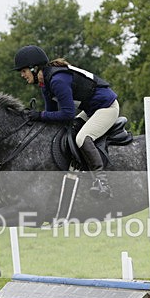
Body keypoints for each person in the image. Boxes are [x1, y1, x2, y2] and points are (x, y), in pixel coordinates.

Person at [13, 45, 118, 198]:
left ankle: (102, 182)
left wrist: (39, 115)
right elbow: (51, 114)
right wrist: (35, 119)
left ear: (34, 68)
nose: (22, 75)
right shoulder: (45, 84)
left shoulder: (57, 81)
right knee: (68, 132)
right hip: (91, 110)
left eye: (23, 71)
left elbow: (68, 114)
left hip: (107, 107)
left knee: (82, 138)